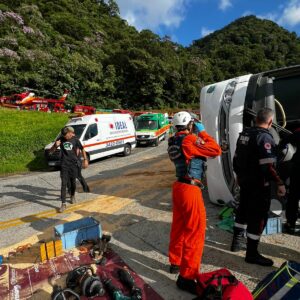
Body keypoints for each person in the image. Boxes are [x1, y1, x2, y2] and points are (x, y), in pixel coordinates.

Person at [167, 111, 221, 294]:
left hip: (179, 186)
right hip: (190, 189)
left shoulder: (172, 140)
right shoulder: (190, 140)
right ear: (190, 125)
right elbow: (215, 150)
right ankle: (187, 277)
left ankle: (175, 262)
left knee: (179, 227)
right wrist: (203, 133)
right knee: (195, 232)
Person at [231, 108, 286, 266]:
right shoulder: (264, 137)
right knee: (258, 216)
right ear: (270, 122)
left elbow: (236, 159)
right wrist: (280, 183)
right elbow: (268, 166)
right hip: (258, 184)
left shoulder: (245, 134)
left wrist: (239, 176)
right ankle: (252, 253)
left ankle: (236, 242)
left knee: (243, 209)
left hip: (245, 181)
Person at [50, 126, 88, 213]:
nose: (65, 137)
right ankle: (63, 204)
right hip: (64, 165)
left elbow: (83, 149)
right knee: (64, 184)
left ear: (70, 133)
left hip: (73, 165)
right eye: (64, 135)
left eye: (66, 135)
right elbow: (51, 151)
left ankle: (72, 195)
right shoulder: (60, 139)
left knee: (73, 183)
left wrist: (85, 160)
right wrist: (55, 146)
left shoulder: (75, 140)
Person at [280, 127, 300, 234]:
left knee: (293, 197)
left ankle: (290, 224)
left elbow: (284, 142)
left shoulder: (297, 133)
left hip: (298, 170)